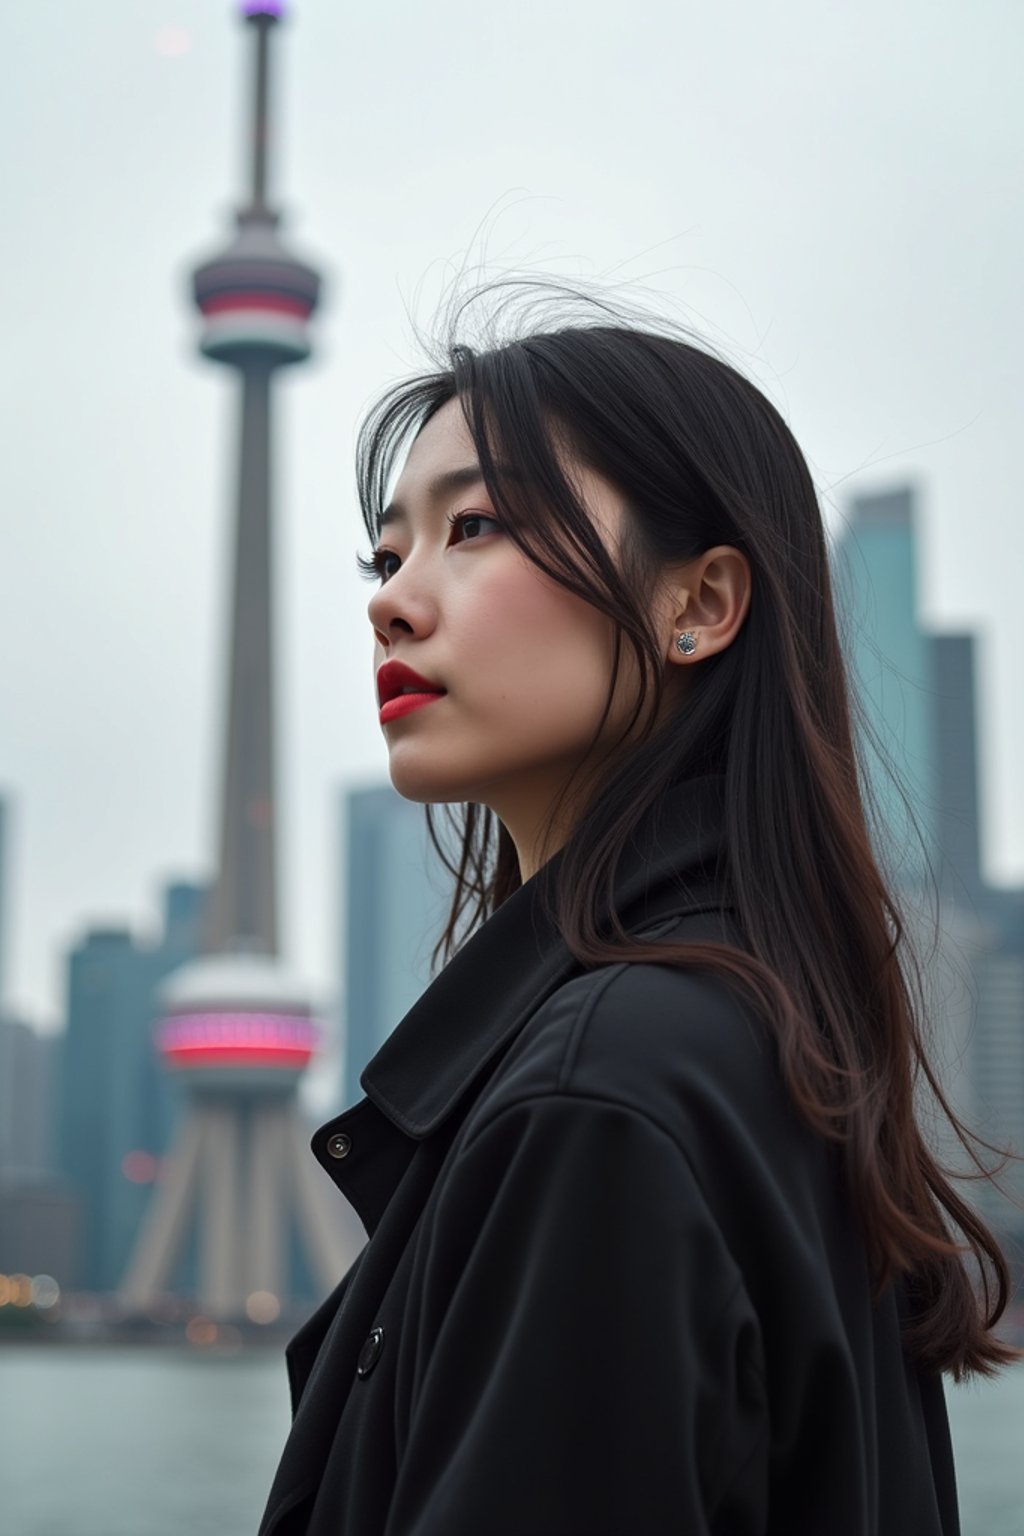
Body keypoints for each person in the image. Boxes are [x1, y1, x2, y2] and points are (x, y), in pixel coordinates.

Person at [258, 285, 1020, 1536]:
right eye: (387, 553)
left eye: (478, 526)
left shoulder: (598, 1093)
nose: (390, 599)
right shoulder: (758, 1046)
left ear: (699, 605)